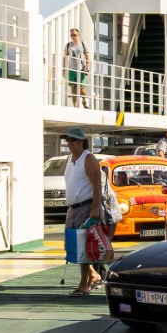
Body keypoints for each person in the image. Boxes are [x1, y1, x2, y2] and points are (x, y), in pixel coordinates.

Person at [61, 127, 106, 296]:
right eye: (67, 140)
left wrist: (95, 208)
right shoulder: (70, 159)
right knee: (72, 245)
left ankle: (84, 284)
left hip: (85, 206)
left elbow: (97, 184)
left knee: (83, 246)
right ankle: (94, 275)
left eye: (72, 140)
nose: (69, 143)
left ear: (80, 142)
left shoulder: (88, 158)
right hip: (73, 208)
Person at [64, 28, 90, 107]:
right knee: (73, 88)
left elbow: (87, 55)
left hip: (81, 69)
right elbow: (64, 57)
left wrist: (87, 66)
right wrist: (63, 69)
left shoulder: (82, 44)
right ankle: (75, 106)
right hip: (71, 69)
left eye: (74, 35)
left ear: (78, 35)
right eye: (71, 35)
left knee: (81, 88)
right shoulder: (68, 45)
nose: (73, 36)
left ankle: (85, 100)